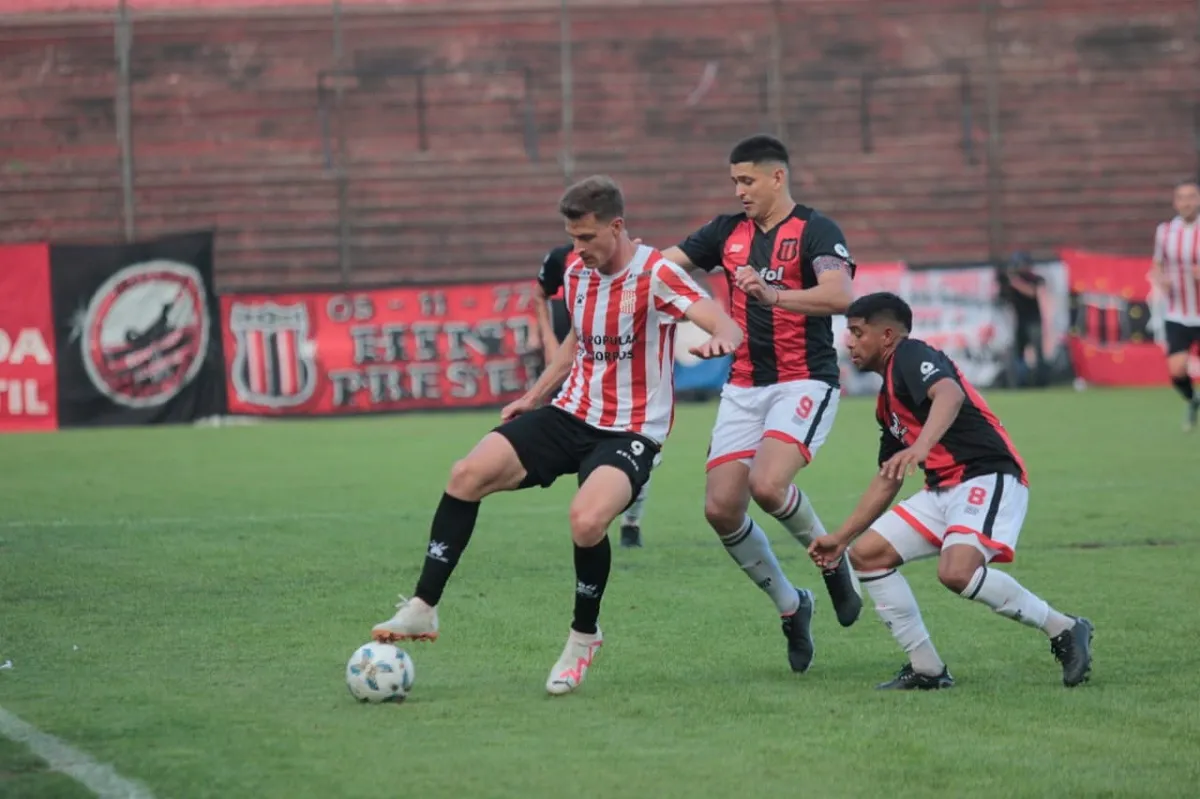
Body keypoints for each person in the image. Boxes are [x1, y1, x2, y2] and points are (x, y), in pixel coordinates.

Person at [371, 175, 743, 696]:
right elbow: (576, 340)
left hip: (631, 430)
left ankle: (583, 637)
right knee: (466, 474)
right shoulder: (575, 270)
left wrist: (722, 339)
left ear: (616, 226)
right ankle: (423, 607)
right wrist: (536, 394)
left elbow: (720, 320)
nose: (578, 249)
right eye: (572, 238)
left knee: (587, 520)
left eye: (587, 237)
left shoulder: (656, 273)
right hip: (570, 412)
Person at [808, 292, 1094, 690]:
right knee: (868, 555)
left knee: (956, 572)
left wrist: (921, 445)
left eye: (857, 332)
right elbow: (889, 476)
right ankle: (927, 668)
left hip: (986, 474)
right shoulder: (886, 401)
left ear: (887, 335)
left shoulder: (910, 355)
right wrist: (840, 539)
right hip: (943, 488)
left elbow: (950, 394)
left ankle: (1064, 627)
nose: (849, 342)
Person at [656, 133, 861, 674]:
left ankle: (830, 553)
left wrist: (773, 295)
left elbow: (840, 297)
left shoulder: (815, 230)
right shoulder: (725, 233)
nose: (739, 190)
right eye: (734, 182)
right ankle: (792, 607)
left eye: (747, 180)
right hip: (745, 384)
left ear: (778, 177)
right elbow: (661, 271)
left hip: (803, 380)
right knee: (720, 508)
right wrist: (705, 317)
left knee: (767, 485)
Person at [533, 243, 656, 548]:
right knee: (587, 442)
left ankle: (631, 520)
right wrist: (549, 339)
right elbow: (539, 295)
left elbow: (634, 312)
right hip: (576, 368)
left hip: (624, 375)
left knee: (640, 453)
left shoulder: (630, 265)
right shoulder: (562, 260)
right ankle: (593, 523)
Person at [1150, 179, 1200, 430]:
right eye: (1182, 198)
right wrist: (1162, 281)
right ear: (1175, 202)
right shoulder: (1166, 231)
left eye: (1191, 197)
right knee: (1177, 370)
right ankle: (1193, 400)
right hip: (1178, 312)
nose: (1187, 202)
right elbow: (1157, 266)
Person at [995, 251, 1050, 387]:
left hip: (1034, 321)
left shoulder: (1034, 279)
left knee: (1038, 355)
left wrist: (1015, 282)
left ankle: (1041, 382)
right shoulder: (1012, 281)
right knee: (1017, 355)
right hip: (1019, 322)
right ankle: (1019, 382)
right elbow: (1002, 298)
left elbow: (1032, 293)